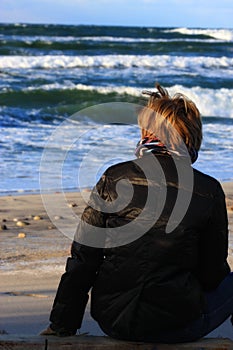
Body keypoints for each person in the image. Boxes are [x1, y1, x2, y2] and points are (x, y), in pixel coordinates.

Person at [41, 84, 232, 343]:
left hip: (115, 318)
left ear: (147, 132)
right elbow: (212, 274)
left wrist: (62, 325)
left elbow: (84, 258)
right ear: (191, 138)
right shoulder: (208, 190)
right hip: (179, 325)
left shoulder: (114, 176)